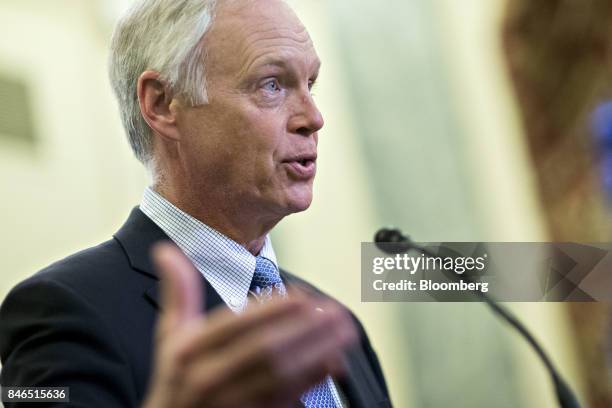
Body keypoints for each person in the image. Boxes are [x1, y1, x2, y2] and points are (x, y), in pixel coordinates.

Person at [0, 0, 391, 406]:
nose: (313, 117)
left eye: (309, 84)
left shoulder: (333, 326)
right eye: (272, 84)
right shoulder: (60, 310)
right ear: (162, 103)